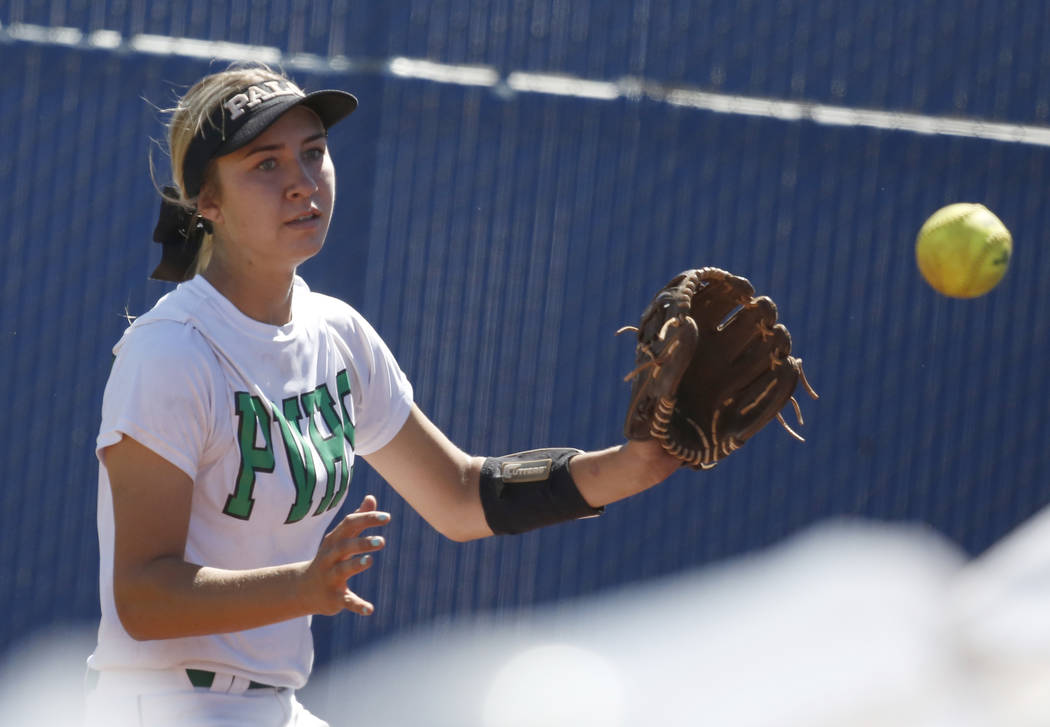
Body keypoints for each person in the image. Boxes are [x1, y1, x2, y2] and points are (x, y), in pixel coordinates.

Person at [85, 63, 680, 727]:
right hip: (162, 707)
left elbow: (460, 495)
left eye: (313, 153)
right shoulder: (172, 351)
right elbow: (142, 597)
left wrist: (635, 465)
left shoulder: (337, 336)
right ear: (207, 201)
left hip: (272, 706)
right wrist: (303, 586)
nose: (302, 183)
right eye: (265, 164)